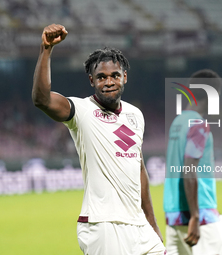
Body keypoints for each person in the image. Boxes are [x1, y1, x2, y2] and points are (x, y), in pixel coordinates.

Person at [32, 23, 165, 255]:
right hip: (102, 225)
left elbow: (139, 168)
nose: (109, 82)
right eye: (101, 77)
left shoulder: (136, 115)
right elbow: (42, 100)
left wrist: (152, 225)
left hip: (139, 227)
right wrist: (46, 50)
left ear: (124, 77)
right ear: (92, 81)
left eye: (114, 75)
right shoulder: (81, 111)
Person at [163, 69, 222, 255]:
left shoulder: (178, 122)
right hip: (199, 217)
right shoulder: (199, 124)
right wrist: (195, 215)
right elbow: (189, 170)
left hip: (174, 215)